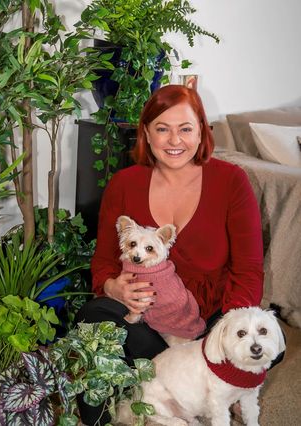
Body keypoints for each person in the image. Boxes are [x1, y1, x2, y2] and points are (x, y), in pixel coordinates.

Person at [75, 84, 265, 425]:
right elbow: (103, 261)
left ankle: (184, 381)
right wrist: (112, 286)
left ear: (203, 132)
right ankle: (99, 419)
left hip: (209, 323)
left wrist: (224, 335)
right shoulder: (123, 183)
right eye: (162, 129)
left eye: (186, 129)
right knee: (93, 315)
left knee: (260, 344)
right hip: (147, 320)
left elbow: (249, 270)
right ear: (146, 132)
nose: (174, 140)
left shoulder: (232, 181)